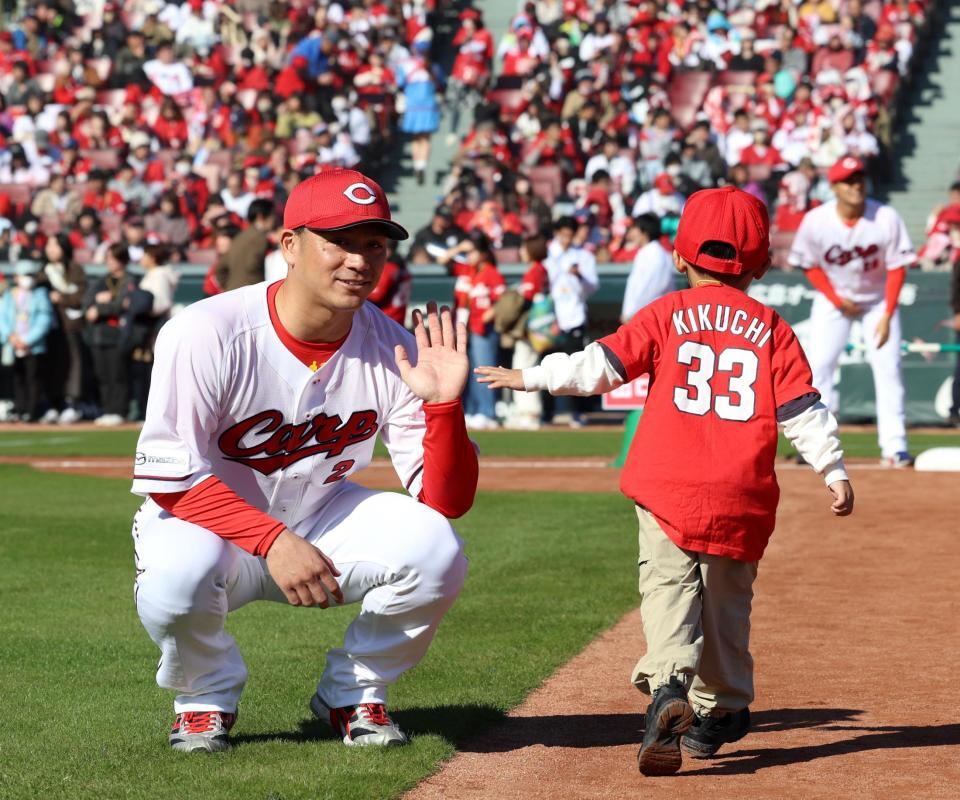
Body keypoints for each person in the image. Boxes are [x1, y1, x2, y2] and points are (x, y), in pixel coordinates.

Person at [476, 186, 854, 776]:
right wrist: (832, 468)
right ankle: (722, 707)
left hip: (668, 485)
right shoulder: (773, 326)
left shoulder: (667, 313)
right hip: (741, 491)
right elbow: (801, 409)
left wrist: (528, 377)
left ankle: (669, 685)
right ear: (760, 266)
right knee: (727, 606)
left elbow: (599, 367)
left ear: (679, 257)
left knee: (668, 590)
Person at [130, 168, 477, 753]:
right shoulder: (207, 331)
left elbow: (448, 501)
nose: (359, 260)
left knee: (436, 548)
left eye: (374, 244)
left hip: (320, 514)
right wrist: (272, 540)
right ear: (290, 245)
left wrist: (444, 408)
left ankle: (353, 690)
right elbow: (172, 478)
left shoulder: (394, 347)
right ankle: (204, 697)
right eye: (339, 241)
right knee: (176, 577)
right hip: (209, 522)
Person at [789, 156, 916, 467]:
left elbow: (897, 267)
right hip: (834, 299)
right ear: (834, 187)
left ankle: (895, 446)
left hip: (877, 301)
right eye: (848, 180)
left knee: (889, 368)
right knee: (819, 367)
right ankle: (816, 446)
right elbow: (809, 264)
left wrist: (887, 315)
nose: (856, 185)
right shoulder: (816, 220)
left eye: (859, 178)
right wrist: (836, 299)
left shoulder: (885, 216)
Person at [439, 232, 505, 429]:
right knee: (469, 371)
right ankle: (475, 410)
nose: (469, 256)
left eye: (473, 252)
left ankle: (488, 412)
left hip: (482, 328)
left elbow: (502, 298)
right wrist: (460, 247)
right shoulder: (467, 270)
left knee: (484, 370)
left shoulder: (491, 272)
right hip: (464, 328)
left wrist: (490, 314)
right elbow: (443, 260)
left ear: (483, 253)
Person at [544, 216, 599, 426]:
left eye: (569, 235)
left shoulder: (583, 256)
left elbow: (592, 287)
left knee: (574, 365)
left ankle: (575, 412)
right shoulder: (548, 255)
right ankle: (547, 413)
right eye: (563, 235)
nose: (566, 239)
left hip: (574, 317)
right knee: (546, 365)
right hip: (550, 319)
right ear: (556, 234)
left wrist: (578, 276)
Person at [84, 243, 140, 426]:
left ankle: (119, 410)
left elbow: (122, 305)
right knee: (103, 375)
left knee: (118, 374)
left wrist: (100, 307)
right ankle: (107, 410)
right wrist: (98, 301)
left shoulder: (131, 280)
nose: (108, 261)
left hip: (119, 335)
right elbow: (87, 302)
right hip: (99, 335)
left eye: (112, 258)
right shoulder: (102, 280)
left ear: (122, 259)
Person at [36, 233, 88, 424]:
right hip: (49, 327)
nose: (51, 249)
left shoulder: (75, 270)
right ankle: (51, 403)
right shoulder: (42, 272)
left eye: (55, 245)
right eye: (48, 245)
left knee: (73, 363)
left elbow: (81, 296)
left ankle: (71, 402)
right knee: (51, 365)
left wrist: (62, 298)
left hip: (71, 325)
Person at [503, 234, 550, 430]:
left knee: (524, 368)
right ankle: (526, 412)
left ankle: (530, 413)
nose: (522, 252)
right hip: (536, 327)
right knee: (524, 365)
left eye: (524, 248)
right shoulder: (539, 269)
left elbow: (527, 299)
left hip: (532, 328)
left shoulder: (536, 270)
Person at [0, 260, 53, 423]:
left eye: (31, 275)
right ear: (16, 277)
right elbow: (3, 318)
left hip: (32, 346)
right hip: (13, 345)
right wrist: (11, 336)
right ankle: (20, 408)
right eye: (24, 275)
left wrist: (28, 340)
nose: (28, 279)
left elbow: (44, 320)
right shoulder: (10, 295)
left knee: (33, 378)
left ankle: (32, 411)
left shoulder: (40, 295)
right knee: (17, 378)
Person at [621, 214, 676, 322]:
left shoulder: (655, 254)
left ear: (645, 232)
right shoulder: (650, 252)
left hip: (650, 318)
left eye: (634, 228)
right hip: (648, 316)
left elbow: (648, 289)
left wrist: (629, 314)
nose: (631, 233)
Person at [215, 198, 274, 292]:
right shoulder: (262, 239)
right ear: (260, 216)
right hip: (254, 293)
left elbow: (220, 269)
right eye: (272, 215)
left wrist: (230, 287)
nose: (274, 220)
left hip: (233, 293)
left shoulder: (238, 238)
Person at [367, 239, 412, 326]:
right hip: (398, 318)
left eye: (376, 247)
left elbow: (377, 295)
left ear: (387, 250)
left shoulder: (389, 267)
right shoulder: (402, 266)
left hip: (385, 319)